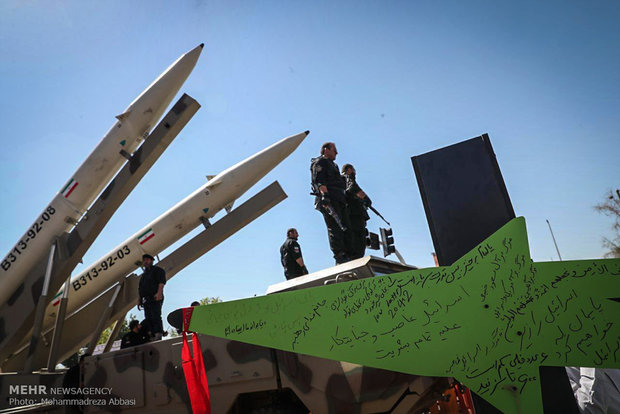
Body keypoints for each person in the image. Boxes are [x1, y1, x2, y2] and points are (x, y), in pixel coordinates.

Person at [311, 142, 351, 264]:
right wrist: (325, 196)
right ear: (326, 150)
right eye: (334, 150)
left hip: (339, 199)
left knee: (345, 228)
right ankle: (340, 255)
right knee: (335, 228)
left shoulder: (334, 165)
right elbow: (319, 181)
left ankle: (347, 253)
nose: (337, 153)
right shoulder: (320, 162)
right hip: (330, 200)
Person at [342, 164, 372, 259]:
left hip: (351, 214)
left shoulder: (340, 180)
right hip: (354, 214)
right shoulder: (347, 178)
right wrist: (365, 198)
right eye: (353, 170)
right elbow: (353, 188)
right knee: (358, 242)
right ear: (350, 170)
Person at [137, 254, 166, 341]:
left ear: (152, 260)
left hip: (155, 296)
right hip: (146, 299)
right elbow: (140, 288)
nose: (145, 262)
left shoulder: (158, 270)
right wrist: (139, 300)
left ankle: (158, 333)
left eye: (147, 260)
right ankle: (152, 334)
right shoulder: (143, 276)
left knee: (155, 315)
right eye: (144, 260)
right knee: (148, 317)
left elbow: (161, 282)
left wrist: (159, 293)